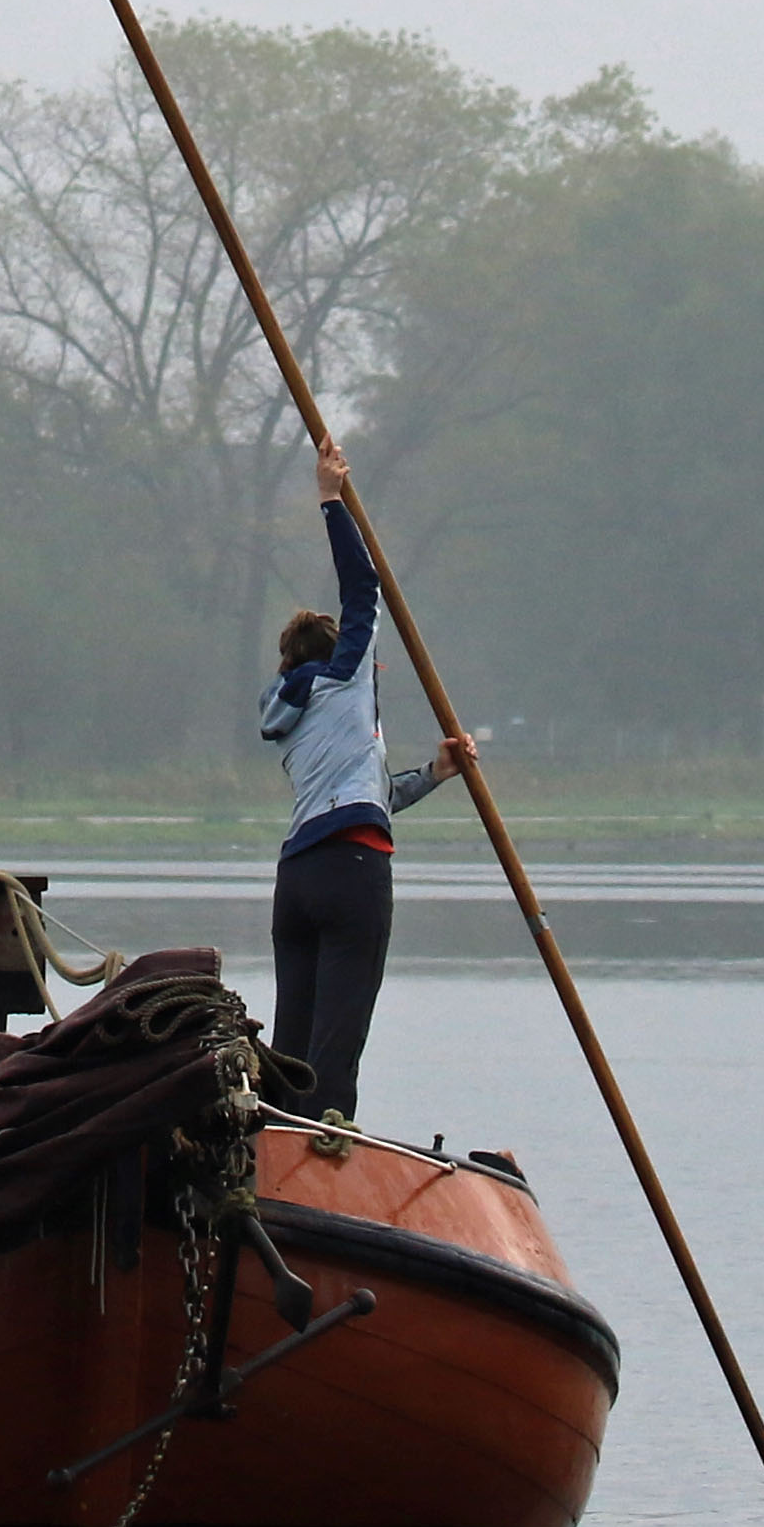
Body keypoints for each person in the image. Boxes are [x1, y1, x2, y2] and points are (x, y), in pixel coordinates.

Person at [256, 443, 447, 1125]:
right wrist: (332, 500)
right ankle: (326, 1147)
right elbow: (363, 588)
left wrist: (437, 774)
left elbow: (375, 794)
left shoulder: (297, 717)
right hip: (352, 871)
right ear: (342, 653)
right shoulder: (344, 677)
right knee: (337, 1042)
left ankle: (273, 1137)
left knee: (294, 1039)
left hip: (298, 878)